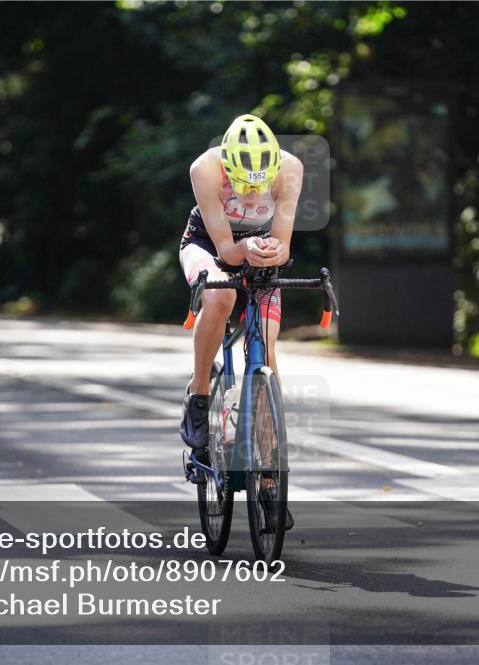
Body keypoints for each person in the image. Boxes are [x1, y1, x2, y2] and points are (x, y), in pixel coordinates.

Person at [178, 114, 303, 528]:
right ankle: (198, 396)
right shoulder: (205, 168)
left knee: (266, 349)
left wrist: (272, 252)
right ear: (227, 167)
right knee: (222, 295)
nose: (251, 196)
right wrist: (244, 247)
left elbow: (284, 242)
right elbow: (227, 250)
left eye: (258, 186)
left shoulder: (290, 169)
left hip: (258, 249)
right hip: (211, 246)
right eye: (242, 186)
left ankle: (269, 479)